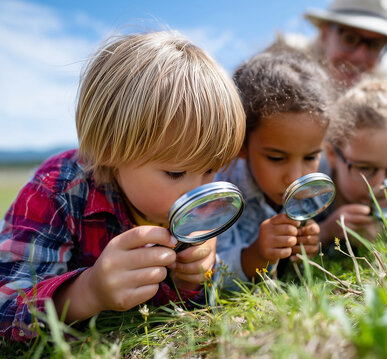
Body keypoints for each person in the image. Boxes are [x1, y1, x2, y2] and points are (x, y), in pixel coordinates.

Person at [0, 31, 246, 341]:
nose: (196, 193)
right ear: (108, 150)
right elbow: (5, 307)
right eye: (175, 173)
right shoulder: (56, 192)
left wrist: (194, 279)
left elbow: (192, 310)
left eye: (211, 170)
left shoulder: (191, 202)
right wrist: (87, 293)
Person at [215, 46, 334, 285]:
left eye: (310, 157)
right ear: (242, 144)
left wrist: (308, 246)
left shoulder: (317, 185)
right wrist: (256, 255)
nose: (295, 177)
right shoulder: (222, 194)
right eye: (276, 159)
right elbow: (209, 274)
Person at [319, 75, 387, 242]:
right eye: (364, 168)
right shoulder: (309, 195)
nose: (380, 185)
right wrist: (323, 233)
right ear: (331, 154)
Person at [284, 0, 387, 87]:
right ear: (325, 35)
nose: (360, 56)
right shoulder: (281, 70)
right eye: (350, 39)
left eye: (376, 45)